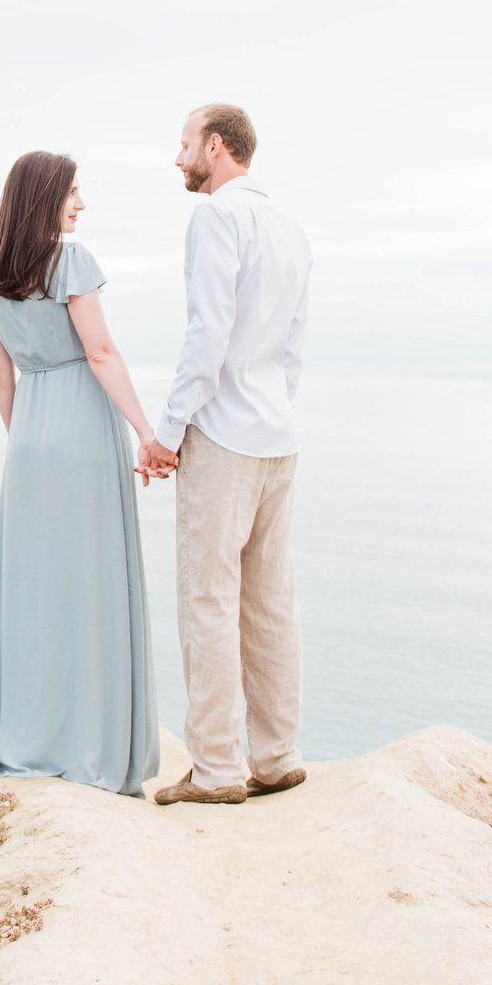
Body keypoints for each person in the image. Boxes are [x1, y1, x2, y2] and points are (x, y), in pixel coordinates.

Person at [0, 150, 163, 797]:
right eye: (73, 193)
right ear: (44, 196)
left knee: (33, 590)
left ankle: (26, 736)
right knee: (91, 586)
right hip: (82, 431)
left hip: (29, 442)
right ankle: (90, 743)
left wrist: (26, 441)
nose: (81, 205)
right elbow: (100, 352)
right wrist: (146, 431)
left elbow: (0, 374)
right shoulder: (70, 262)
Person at [140, 103, 314, 808]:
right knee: (271, 600)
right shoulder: (290, 227)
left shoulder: (216, 217)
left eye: (184, 144)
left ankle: (214, 767)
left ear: (217, 147)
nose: (177, 157)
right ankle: (277, 755)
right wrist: (277, 406)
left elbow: (206, 333)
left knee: (208, 599)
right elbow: (295, 344)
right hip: (278, 433)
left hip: (224, 434)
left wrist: (170, 432)